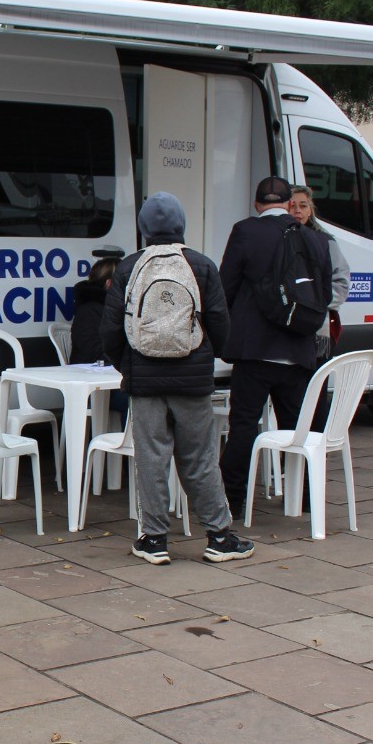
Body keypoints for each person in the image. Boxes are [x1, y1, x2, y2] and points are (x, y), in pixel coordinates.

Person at [101, 192, 254, 565]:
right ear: (182, 225)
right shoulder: (201, 266)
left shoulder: (129, 268)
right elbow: (220, 322)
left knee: (151, 459)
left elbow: (109, 330)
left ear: (143, 228)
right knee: (200, 458)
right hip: (193, 381)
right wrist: (202, 359)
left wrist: (128, 364)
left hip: (145, 381)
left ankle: (154, 540)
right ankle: (219, 536)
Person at [219, 176, 334, 518]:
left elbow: (226, 287)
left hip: (253, 351)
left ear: (257, 205)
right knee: (297, 429)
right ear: (288, 204)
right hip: (299, 351)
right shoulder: (316, 240)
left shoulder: (245, 232)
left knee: (243, 425)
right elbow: (323, 296)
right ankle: (303, 499)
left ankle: (234, 502)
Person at [287, 186, 350, 360]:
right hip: (283, 328)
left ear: (310, 210)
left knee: (316, 380)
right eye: (293, 205)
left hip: (316, 328)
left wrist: (314, 302)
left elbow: (341, 281)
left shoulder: (325, 241)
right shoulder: (279, 237)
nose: (298, 210)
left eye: (303, 205)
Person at [69, 257, 119, 364]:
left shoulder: (119, 307)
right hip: (89, 374)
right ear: (109, 283)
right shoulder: (88, 311)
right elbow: (93, 352)